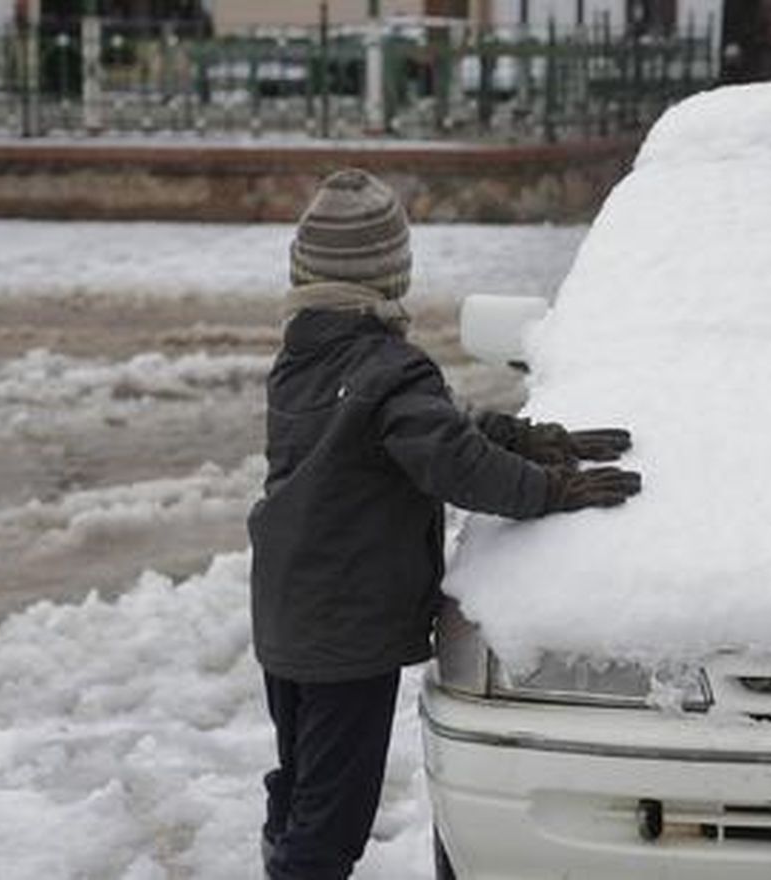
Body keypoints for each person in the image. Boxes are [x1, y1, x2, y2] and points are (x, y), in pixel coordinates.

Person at [247, 168, 640, 879]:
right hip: (347, 635)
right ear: (391, 274)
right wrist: (554, 487)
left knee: (301, 782)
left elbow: (425, 431)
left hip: (286, 614)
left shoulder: (302, 359)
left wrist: (521, 435)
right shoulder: (390, 370)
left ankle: (282, 858)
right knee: (333, 822)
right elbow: (456, 466)